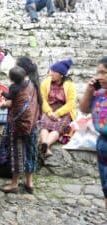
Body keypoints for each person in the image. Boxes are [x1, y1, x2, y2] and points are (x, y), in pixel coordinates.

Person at [0, 57, 42, 194]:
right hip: (33, 124)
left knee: (17, 153)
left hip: (18, 126)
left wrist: (4, 104)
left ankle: (14, 183)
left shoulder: (18, 86)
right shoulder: (33, 84)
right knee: (30, 152)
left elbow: (11, 102)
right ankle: (29, 183)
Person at [80, 56, 107, 209]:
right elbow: (83, 110)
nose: (99, 77)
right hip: (103, 144)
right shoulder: (98, 93)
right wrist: (89, 91)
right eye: (98, 73)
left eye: (104, 73)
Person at [39, 59, 76, 157]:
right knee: (45, 124)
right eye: (51, 71)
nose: (51, 73)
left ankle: (46, 144)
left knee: (59, 127)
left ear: (61, 75)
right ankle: (45, 146)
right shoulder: (45, 83)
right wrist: (49, 112)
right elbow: (42, 99)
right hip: (49, 109)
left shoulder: (70, 85)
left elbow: (71, 103)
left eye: (54, 72)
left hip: (64, 110)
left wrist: (58, 113)